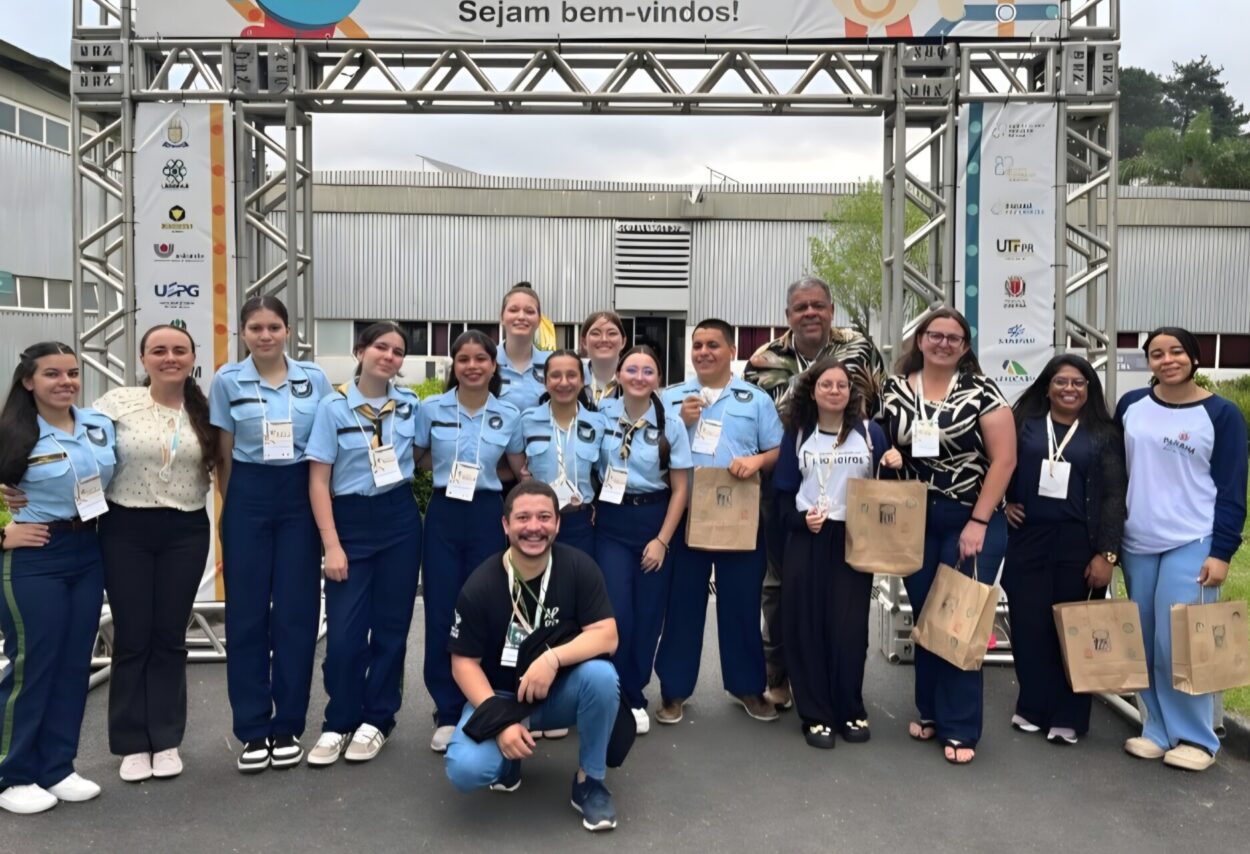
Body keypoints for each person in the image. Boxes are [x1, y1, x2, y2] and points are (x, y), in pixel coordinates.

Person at [878, 308, 1016, 765]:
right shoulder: (894, 388)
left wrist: (978, 521)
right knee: (926, 616)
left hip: (969, 518)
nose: (943, 343)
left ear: (965, 346)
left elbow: (1004, 462)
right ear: (919, 340)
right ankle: (931, 710)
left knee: (959, 617)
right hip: (913, 517)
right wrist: (890, 457)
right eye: (934, 335)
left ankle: (960, 726)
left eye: (953, 337)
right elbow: (880, 442)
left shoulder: (983, 391)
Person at [444, 480, 622, 833]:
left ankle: (590, 783)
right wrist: (499, 721)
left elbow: (608, 635)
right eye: (523, 517)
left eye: (544, 517)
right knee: (465, 770)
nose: (534, 527)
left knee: (601, 677)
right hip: (501, 696)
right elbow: (463, 663)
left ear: (557, 523)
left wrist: (552, 659)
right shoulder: (480, 584)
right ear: (505, 525)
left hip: (556, 691)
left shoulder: (578, 567)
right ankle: (506, 758)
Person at [743, 276, 886, 709]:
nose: (810, 313)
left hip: (848, 485)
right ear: (788, 315)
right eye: (801, 307)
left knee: (844, 586)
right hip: (787, 487)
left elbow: (878, 405)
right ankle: (780, 672)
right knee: (780, 584)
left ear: (830, 309)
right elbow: (756, 424)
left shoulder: (859, 349)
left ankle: (833, 678)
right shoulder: (762, 360)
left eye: (818, 306)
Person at [209, 295, 333, 772]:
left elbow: (325, 444)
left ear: (287, 331)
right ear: (243, 333)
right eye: (256, 328)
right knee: (246, 615)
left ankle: (289, 725)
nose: (265, 335)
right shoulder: (227, 381)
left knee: (297, 613)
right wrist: (233, 508)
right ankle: (253, 728)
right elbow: (223, 452)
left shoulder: (314, 379)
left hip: (300, 492)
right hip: (249, 493)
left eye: (274, 327)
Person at [1116, 327, 1247, 772]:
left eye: (1176, 352)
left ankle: (1196, 736)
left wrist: (1222, 552)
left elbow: (1232, 489)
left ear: (1193, 357)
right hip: (1137, 540)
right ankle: (1156, 728)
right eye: (1156, 353)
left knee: (1180, 642)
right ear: (1148, 361)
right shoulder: (1132, 406)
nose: (1166, 359)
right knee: (1144, 640)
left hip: (1193, 540)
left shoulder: (1221, 414)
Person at [94, 325, 218, 782]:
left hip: (185, 529)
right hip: (124, 527)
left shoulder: (206, 411)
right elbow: (79, 453)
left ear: (192, 357)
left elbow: (223, 469)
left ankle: (165, 738)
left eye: (179, 350)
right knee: (133, 635)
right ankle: (130, 743)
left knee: (169, 635)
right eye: (159, 350)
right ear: (143, 358)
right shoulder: (116, 404)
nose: (170, 357)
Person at [0, 343, 114, 814]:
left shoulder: (97, 426)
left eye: (72, 373)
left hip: (87, 550)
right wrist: (2, 531)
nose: (65, 382)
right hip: (35, 554)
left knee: (73, 662)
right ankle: (13, 772)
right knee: (33, 663)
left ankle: (57, 766)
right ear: (28, 381)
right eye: (52, 374)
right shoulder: (10, 432)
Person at [304, 322, 423, 768]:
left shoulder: (411, 406)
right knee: (345, 636)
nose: (388, 356)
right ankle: (339, 720)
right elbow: (318, 480)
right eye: (380, 347)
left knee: (392, 629)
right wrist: (330, 545)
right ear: (360, 351)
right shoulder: (333, 408)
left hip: (399, 518)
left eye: (397, 351)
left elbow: (427, 455)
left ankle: (378, 719)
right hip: (349, 523)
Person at [655, 319, 783, 724]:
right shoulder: (670, 397)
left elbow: (778, 448)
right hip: (687, 513)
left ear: (731, 351)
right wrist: (682, 423)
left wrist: (757, 461)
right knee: (683, 606)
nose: (704, 352)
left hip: (739, 513)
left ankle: (747, 686)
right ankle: (674, 691)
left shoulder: (755, 399)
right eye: (697, 345)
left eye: (713, 345)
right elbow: (651, 451)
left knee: (742, 603)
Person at [1003, 355, 1126, 746]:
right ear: (1047, 386)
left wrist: (1107, 554)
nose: (1069, 389)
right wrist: (1003, 503)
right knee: (1029, 626)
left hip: (1079, 543)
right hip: (1029, 539)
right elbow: (1001, 465)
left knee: (1074, 629)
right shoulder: (1023, 423)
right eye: (1061, 382)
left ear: (1089, 389)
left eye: (1078, 382)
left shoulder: (1103, 433)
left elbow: (1113, 496)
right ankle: (1033, 706)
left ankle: (1070, 715)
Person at [772, 358, 894, 749]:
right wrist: (800, 520)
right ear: (812, 390)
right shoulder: (798, 433)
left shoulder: (870, 433)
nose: (835, 391)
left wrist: (894, 464)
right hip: (810, 535)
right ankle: (816, 713)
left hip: (854, 536)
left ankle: (849, 707)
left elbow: (886, 491)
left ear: (851, 392)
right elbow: (782, 497)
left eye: (842, 385)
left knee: (848, 627)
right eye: (827, 384)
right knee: (806, 625)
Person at [417, 331, 527, 753]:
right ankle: (447, 710)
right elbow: (419, 456)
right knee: (443, 609)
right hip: (444, 513)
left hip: (487, 514)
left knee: (492, 607)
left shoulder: (509, 414)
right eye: (463, 359)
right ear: (454, 366)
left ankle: (489, 700)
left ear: (494, 365)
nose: (472, 366)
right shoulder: (432, 409)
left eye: (481, 359)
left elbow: (516, 469)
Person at [595, 346, 691, 734]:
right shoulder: (600, 415)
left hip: (655, 519)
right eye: (631, 369)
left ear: (658, 380)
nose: (639, 376)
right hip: (611, 522)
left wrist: (662, 541)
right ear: (618, 374)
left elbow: (681, 490)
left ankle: (635, 694)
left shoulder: (671, 423)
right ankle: (613, 693)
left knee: (650, 614)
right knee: (616, 612)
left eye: (648, 370)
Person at [518, 349, 605, 556]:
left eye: (572, 375)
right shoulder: (527, 421)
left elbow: (602, 472)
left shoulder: (598, 424)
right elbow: (517, 464)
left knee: (578, 585)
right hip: (537, 523)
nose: (564, 382)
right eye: (555, 375)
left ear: (583, 380)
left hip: (582, 522)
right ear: (545, 381)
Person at [495, 283, 551, 413]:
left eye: (529, 311)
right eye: (513, 310)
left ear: (539, 320)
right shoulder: (486, 362)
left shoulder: (552, 364)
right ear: (502, 317)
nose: (521, 317)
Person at [581, 311, 627, 404]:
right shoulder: (571, 382)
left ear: (623, 341)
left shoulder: (636, 382)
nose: (604, 339)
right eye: (595, 333)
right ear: (584, 342)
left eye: (612, 333)